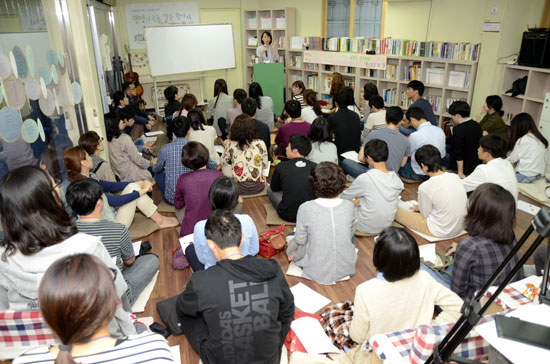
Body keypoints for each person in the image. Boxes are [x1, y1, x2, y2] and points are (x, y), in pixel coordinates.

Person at [0, 166, 135, 336]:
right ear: (49, 199)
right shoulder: (88, 247)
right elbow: (118, 300)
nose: (59, 187)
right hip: (99, 341)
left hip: (38, 349)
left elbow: (5, 317)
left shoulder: (3, 260)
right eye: (54, 185)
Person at [177, 210, 293, 364]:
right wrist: (276, 342)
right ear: (242, 238)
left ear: (211, 244)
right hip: (270, 358)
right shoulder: (273, 269)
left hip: (220, 359)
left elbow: (183, 308)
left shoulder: (201, 281)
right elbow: (287, 310)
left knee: (189, 315)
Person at [13, 254, 173, 364]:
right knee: (139, 327)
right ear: (115, 303)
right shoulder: (153, 349)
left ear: (47, 314)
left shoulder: (24, 360)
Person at [345, 227, 462, 364]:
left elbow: (357, 337)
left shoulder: (365, 291)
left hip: (377, 357)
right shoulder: (425, 278)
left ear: (378, 257)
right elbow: (458, 307)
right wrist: (429, 329)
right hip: (416, 351)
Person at [66, 178, 159, 306]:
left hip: (85, 295)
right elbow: (130, 261)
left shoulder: (66, 234)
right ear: (100, 203)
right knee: (152, 260)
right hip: (115, 295)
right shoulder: (118, 230)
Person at [424, 183, 523, 299]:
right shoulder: (511, 235)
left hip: (473, 306)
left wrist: (462, 251)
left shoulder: (470, 246)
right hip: (503, 297)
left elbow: (457, 292)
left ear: (476, 211)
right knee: (453, 262)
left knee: (422, 270)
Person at [64, 146, 178, 229]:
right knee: (135, 191)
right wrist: (142, 190)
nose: (91, 158)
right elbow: (115, 201)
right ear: (83, 163)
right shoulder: (85, 185)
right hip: (113, 225)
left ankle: (159, 219)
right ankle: (159, 220)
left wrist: (140, 183)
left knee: (133, 186)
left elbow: (112, 185)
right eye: (88, 156)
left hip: (112, 213)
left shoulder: (90, 176)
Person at [287, 162, 357, 285]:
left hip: (316, 270)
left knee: (291, 237)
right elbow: (350, 234)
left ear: (313, 184)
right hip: (347, 267)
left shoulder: (306, 208)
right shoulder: (349, 206)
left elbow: (301, 240)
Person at [186, 176, 259, 271]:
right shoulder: (247, 220)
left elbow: (202, 260)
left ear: (211, 198)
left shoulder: (200, 227)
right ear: (237, 200)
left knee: (190, 249)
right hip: (243, 270)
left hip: (214, 273)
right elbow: (254, 251)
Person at [396, 145, 467, 238]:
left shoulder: (425, 187)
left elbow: (425, 215)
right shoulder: (455, 177)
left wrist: (420, 207)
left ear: (423, 166)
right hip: (460, 227)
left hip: (440, 230)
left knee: (395, 212)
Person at [341, 139, 404, 234]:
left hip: (365, 226)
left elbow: (344, 198)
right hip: (387, 225)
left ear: (369, 158)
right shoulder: (396, 179)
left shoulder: (366, 178)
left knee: (340, 207)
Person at [153, 116, 218, 205]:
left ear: (173, 133)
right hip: (194, 197)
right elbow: (214, 166)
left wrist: (155, 164)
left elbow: (156, 169)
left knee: (158, 173)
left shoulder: (165, 149)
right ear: (189, 132)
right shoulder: (197, 147)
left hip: (172, 199)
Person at [341, 106, 409, 178]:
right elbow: (402, 164)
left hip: (373, 175)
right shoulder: (406, 140)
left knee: (346, 162)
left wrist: (370, 160)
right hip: (392, 177)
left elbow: (360, 158)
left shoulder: (374, 134)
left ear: (385, 119)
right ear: (400, 122)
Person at [174, 142, 223, 236]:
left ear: (186, 162)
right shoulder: (219, 175)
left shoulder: (183, 179)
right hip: (216, 227)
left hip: (191, 231)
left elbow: (178, 205)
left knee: (178, 209)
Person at [268, 134, 316, 222]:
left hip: (288, 215)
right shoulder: (316, 167)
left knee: (269, 189)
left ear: (295, 150)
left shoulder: (281, 166)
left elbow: (274, 188)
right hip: (311, 215)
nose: (286, 148)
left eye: (288, 146)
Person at [222, 114, 268, 195]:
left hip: (238, 188)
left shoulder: (230, 145)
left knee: (226, 166)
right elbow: (265, 165)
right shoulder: (260, 143)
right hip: (259, 186)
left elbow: (223, 162)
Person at [462, 135, 518, 202]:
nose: (478, 149)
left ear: (486, 154)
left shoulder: (484, 170)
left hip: (496, 210)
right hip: (511, 207)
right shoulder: (507, 163)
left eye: (480, 147)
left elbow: (463, 186)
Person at [104, 111, 154, 182]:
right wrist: (151, 163)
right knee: (157, 169)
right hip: (131, 175)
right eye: (119, 120)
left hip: (120, 175)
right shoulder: (124, 138)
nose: (122, 121)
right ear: (114, 123)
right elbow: (138, 159)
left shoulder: (108, 140)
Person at [399, 107, 445, 181]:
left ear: (413, 120)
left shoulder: (415, 135)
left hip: (419, 174)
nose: (411, 125)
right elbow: (442, 154)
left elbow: (407, 154)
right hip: (436, 170)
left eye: (409, 122)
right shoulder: (440, 130)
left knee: (397, 161)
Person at [507, 112, 548, 183]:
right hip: (537, 176)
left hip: (525, 176)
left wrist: (499, 161)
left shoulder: (524, 139)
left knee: (500, 179)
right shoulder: (540, 139)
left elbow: (512, 159)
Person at [446, 101, 482, 178]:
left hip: (464, 166)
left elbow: (459, 153)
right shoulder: (476, 125)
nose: (451, 117)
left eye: (452, 115)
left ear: (458, 116)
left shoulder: (458, 129)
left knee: (439, 155)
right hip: (475, 164)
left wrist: (460, 173)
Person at [328, 88, 361, 157]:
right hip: (356, 151)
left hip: (340, 152)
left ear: (336, 103)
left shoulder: (332, 117)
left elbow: (329, 136)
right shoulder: (356, 115)